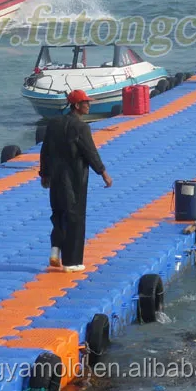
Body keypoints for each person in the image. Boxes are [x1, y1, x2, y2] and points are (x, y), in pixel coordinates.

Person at [39, 89, 113, 272]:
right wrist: (103, 172)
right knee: (74, 218)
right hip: (74, 179)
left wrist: (44, 174)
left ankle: (55, 250)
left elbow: (45, 150)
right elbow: (90, 152)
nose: (89, 105)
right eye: (86, 102)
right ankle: (72, 263)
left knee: (58, 214)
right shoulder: (81, 127)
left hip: (55, 179)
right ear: (77, 106)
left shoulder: (53, 124)